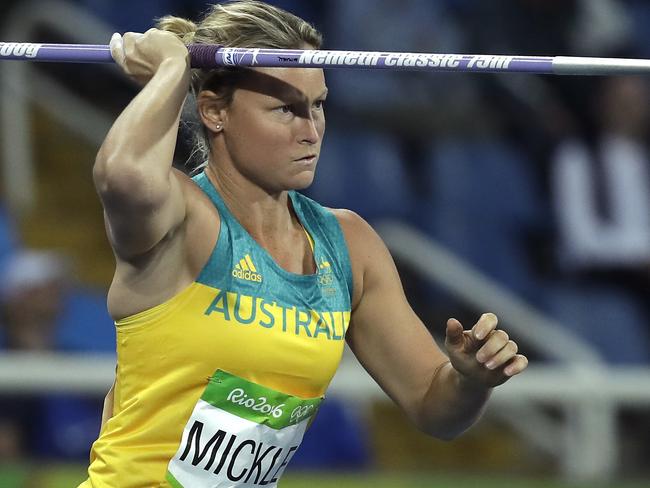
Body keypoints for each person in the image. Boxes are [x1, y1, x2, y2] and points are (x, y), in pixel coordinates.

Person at [79, 1, 528, 486]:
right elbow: (122, 174)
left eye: (318, 105)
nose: (311, 131)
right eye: (285, 109)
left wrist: (470, 381)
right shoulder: (184, 219)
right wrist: (170, 69)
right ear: (213, 111)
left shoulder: (348, 245)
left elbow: (433, 408)